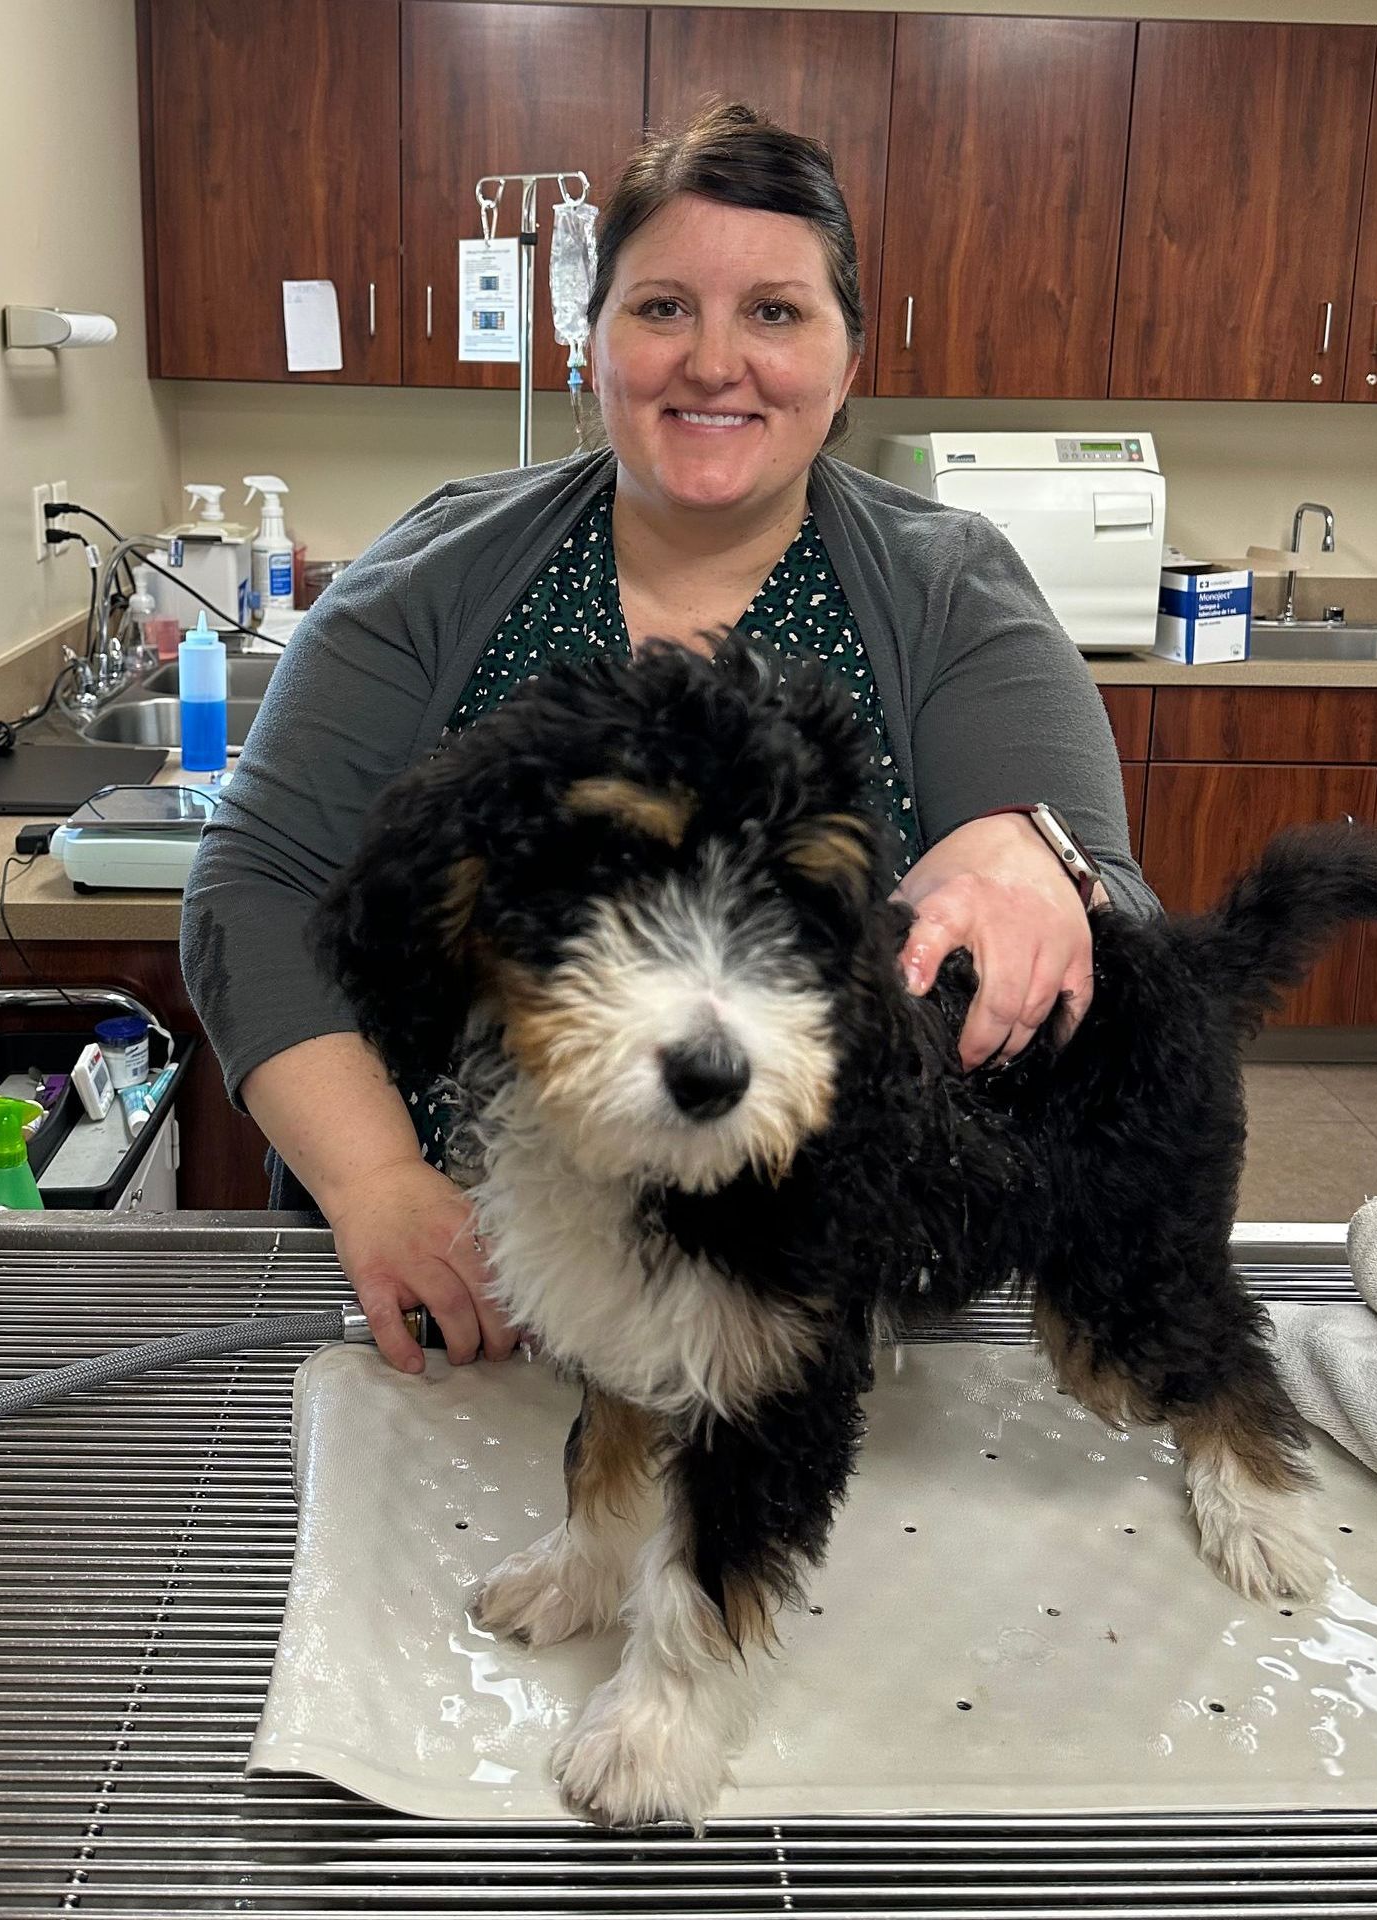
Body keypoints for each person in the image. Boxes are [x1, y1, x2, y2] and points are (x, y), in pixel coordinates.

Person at [182, 102, 1157, 1376]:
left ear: (848, 360)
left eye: (774, 312)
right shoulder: (437, 577)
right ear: (593, 343)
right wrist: (376, 1182)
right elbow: (254, 888)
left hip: (813, 1329)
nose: (713, 363)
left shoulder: (948, 592)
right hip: (466, 1294)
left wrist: (1032, 871)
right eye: (661, 309)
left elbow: (1105, 919)